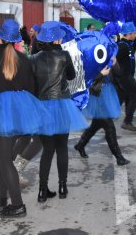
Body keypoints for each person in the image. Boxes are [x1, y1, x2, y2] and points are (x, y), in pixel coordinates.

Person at [0, 19, 49, 218]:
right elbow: (32, 88)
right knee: (5, 159)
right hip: (21, 110)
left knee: (3, 159)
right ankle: (2, 197)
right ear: (17, 38)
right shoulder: (24, 59)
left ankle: (17, 205)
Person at [31, 21, 88, 203]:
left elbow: (33, 85)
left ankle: (42, 191)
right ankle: (63, 187)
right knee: (62, 147)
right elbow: (71, 76)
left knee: (47, 149)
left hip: (42, 106)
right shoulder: (63, 55)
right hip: (62, 104)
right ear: (56, 39)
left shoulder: (34, 58)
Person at [74, 61, 130, 166]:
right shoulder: (92, 52)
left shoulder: (108, 51)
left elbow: (118, 73)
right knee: (109, 127)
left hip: (106, 93)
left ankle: (80, 145)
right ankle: (119, 157)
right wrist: (101, 73)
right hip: (98, 94)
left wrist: (115, 62)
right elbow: (85, 76)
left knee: (97, 124)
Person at [111, 22, 136, 131]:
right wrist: (116, 76)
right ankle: (127, 122)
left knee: (122, 98)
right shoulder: (122, 46)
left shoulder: (127, 44)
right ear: (129, 34)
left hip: (124, 77)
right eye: (134, 33)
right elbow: (113, 59)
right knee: (135, 97)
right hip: (124, 77)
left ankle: (106, 119)